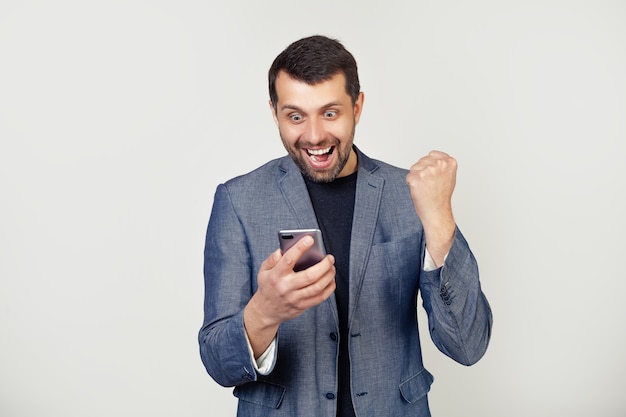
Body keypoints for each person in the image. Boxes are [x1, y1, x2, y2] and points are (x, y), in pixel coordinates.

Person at [198, 35, 492, 417]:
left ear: (357, 106)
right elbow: (218, 363)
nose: (315, 135)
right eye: (295, 116)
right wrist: (264, 312)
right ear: (275, 113)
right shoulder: (238, 201)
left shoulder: (410, 197)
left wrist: (439, 220)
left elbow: (468, 346)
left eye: (330, 113)